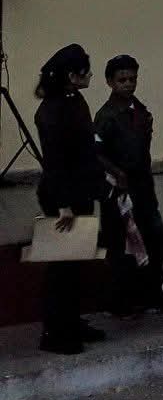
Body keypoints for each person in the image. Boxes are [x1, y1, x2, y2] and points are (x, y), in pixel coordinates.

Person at [33, 45, 108, 355]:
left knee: (77, 261)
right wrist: (62, 203)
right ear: (69, 75)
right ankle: (55, 331)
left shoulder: (74, 101)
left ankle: (72, 320)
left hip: (80, 190)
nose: (88, 77)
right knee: (61, 266)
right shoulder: (51, 111)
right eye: (84, 72)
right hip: (61, 195)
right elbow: (54, 162)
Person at [93, 54, 163, 315]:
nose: (128, 84)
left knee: (153, 235)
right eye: (122, 79)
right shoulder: (107, 116)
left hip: (142, 184)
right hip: (118, 188)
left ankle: (154, 293)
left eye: (132, 79)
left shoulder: (139, 110)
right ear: (110, 82)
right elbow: (96, 152)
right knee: (121, 244)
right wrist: (115, 172)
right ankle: (120, 301)